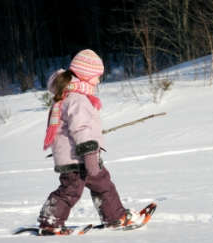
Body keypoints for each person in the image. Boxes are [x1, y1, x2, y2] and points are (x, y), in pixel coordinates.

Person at [37, 49, 138, 236]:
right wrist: (90, 154)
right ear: (85, 75)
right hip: (77, 158)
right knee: (70, 190)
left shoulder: (71, 95)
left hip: (79, 156)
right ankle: (50, 222)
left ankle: (115, 218)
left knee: (103, 184)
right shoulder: (77, 99)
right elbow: (80, 128)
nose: (99, 80)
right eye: (97, 76)